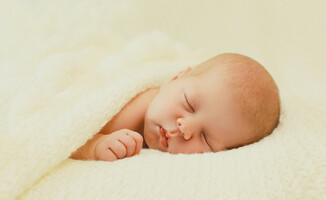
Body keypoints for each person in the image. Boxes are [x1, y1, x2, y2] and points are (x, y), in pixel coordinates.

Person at [70, 53, 280, 161]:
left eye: (206, 139)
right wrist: (96, 146)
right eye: (189, 103)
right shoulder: (129, 110)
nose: (185, 128)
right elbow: (72, 132)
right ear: (175, 78)